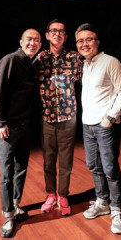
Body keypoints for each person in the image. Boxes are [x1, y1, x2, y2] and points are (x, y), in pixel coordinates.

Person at [75, 23, 121, 234]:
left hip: (104, 125)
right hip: (87, 124)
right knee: (93, 166)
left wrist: (110, 118)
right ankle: (102, 202)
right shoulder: (85, 65)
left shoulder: (111, 62)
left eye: (89, 39)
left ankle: (117, 209)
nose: (84, 44)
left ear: (97, 42)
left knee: (110, 168)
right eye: (80, 41)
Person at [0, 29, 42, 238]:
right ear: (21, 41)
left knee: (21, 169)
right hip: (8, 128)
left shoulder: (31, 65)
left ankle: (15, 204)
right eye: (29, 39)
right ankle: (7, 216)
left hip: (25, 127)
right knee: (7, 173)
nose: (33, 42)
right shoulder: (10, 60)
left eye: (37, 40)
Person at [36, 19, 83, 215]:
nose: (57, 34)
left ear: (66, 36)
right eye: (53, 31)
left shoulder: (75, 57)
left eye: (61, 31)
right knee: (48, 159)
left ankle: (63, 194)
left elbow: (85, 81)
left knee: (66, 160)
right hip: (47, 116)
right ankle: (50, 194)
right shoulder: (39, 59)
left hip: (68, 116)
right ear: (47, 35)